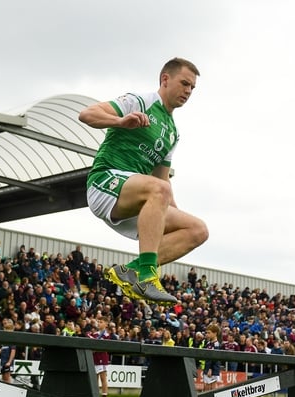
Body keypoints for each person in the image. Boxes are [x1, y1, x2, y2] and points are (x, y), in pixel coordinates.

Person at [79, 57, 208, 305]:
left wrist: (173, 219)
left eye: (192, 88)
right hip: (105, 183)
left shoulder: (172, 132)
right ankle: (148, 275)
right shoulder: (140, 101)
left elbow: (163, 181)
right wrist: (119, 121)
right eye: (184, 83)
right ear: (165, 79)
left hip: (138, 198)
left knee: (198, 229)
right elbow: (87, 114)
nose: (188, 91)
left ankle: (131, 272)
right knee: (158, 190)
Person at [90, 316, 115, 397]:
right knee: (94, 378)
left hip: (102, 358)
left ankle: (104, 396)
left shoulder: (107, 335)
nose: (99, 323)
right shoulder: (95, 334)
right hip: (94, 357)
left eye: (101, 322)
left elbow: (105, 346)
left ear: (106, 324)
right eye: (98, 322)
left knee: (103, 377)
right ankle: (95, 396)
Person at [0, 318, 17, 383]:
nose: (4, 331)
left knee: (7, 378)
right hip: (3, 361)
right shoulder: (5, 340)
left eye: (6, 329)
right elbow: (2, 349)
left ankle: (8, 391)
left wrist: (9, 362)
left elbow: (13, 351)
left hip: (7, 362)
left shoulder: (12, 339)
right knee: (3, 378)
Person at [202, 324, 221, 390]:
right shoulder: (208, 343)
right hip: (206, 367)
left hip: (213, 368)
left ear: (215, 333)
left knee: (212, 388)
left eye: (209, 333)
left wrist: (210, 369)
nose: (207, 334)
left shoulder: (216, 344)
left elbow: (215, 358)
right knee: (206, 386)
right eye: (206, 333)